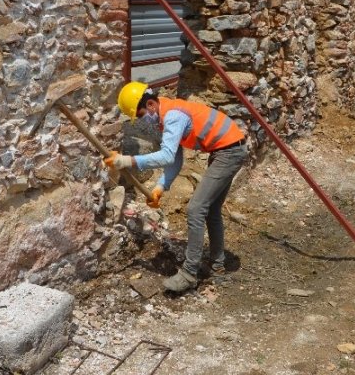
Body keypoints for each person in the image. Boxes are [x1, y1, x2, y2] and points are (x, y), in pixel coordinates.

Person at [104, 82, 248, 293]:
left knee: (196, 209)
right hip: (227, 149)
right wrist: (160, 187)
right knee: (212, 210)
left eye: (142, 114)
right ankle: (218, 265)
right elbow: (176, 159)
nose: (144, 120)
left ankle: (189, 274)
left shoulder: (173, 116)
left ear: (152, 104)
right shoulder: (168, 116)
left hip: (229, 152)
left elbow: (166, 155)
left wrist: (128, 161)